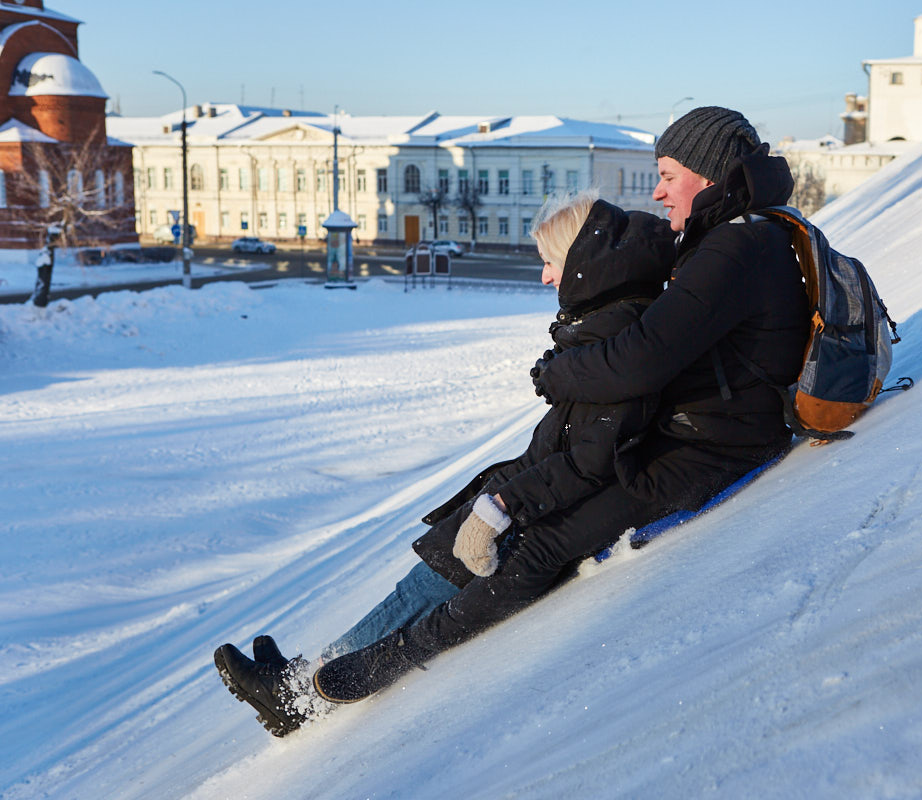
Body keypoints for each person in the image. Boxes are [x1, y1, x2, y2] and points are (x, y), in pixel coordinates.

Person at [214, 190, 677, 736]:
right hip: (537, 496)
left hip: (545, 512)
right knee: (422, 581)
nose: (545, 279)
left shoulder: (615, 340)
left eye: (551, 264)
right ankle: (305, 677)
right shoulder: (609, 329)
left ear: (581, 265)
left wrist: (503, 506)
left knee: (425, 589)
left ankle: (301, 696)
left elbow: (592, 460)